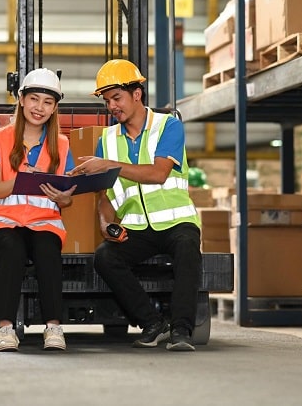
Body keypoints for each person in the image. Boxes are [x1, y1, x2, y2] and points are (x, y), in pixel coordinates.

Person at [70, 59, 203, 352]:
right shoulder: (107, 139)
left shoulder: (168, 126)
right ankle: (153, 323)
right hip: (136, 227)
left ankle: (181, 329)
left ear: (137, 94)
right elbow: (104, 196)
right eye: (107, 101)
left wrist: (109, 164)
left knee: (186, 247)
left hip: (176, 222)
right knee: (105, 257)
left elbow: (158, 174)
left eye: (116, 98)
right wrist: (107, 225)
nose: (112, 106)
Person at [0, 68, 76, 352]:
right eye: (34, 99)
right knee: (13, 251)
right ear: (21, 99)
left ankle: (54, 327)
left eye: (47, 102)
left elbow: (66, 198)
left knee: (48, 252)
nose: (39, 108)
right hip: (3, 223)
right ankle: (6, 328)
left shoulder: (61, 144)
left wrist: (64, 197)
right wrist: (23, 179)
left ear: (55, 107)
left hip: (44, 222)